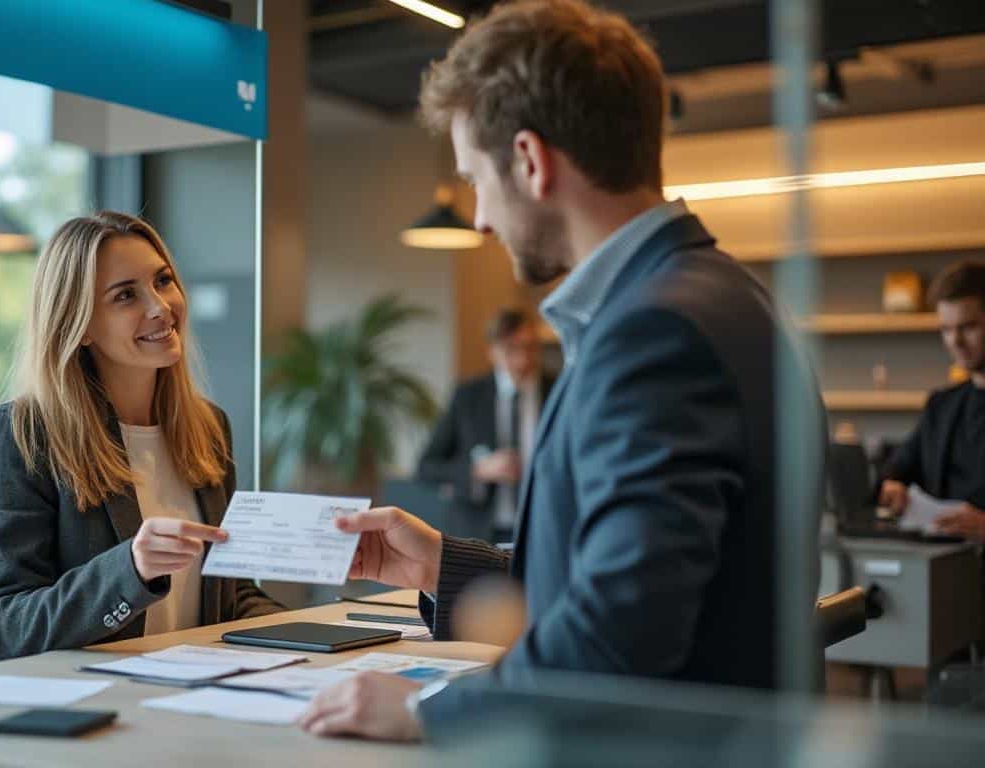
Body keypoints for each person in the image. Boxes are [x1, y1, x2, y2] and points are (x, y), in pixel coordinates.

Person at [297, 0, 824, 741]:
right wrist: (444, 566)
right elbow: (630, 574)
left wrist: (426, 712)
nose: (478, 219)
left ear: (530, 162)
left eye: (476, 180)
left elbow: (622, 631)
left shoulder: (653, 331)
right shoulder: (720, 296)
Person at [0, 211, 284, 660]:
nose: (160, 306)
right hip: (96, 711)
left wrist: (323, 636)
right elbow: (3, 630)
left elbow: (229, 598)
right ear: (77, 325)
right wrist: (130, 571)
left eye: (163, 281)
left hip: (198, 700)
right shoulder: (24, 434)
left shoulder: (208, 428)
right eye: (125, 296)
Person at [417, 308, 554, 541]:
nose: (523, 358)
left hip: (544, 530)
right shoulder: (468, 396)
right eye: (511, 348)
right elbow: (426, 467)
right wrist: (478, 469)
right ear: (492, 351)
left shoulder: (557, 390)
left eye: (530, 347)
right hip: (478, 534)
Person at [879, 261, 985, 542]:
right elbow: (898, 467)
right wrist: (893, 485)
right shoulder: (941, 405)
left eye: (968, 327)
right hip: (943, 570)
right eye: (946, 330)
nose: (955, 341)